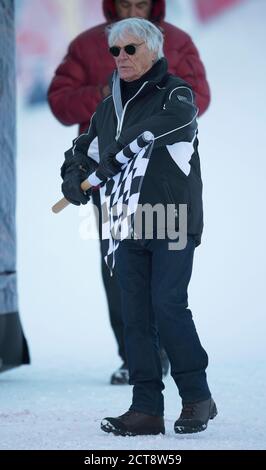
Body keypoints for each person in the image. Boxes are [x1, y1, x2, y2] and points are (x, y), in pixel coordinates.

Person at [60, 17, 217, 437]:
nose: (121, 58)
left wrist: (114, 153)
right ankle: (146, 408)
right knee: (135, 314)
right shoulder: (108, 106)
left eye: (130, 49)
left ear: (154, 51)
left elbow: (164, 129)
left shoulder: (176, 94)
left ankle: (197, 397)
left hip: (171, 219)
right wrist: (74, 177)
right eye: (115, 51)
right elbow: (83, 150)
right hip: (124, 223)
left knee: (167, 305)